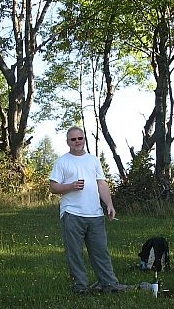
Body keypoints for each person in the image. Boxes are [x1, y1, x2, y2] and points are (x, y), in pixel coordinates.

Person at [49, 126, 128, 294]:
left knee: (101, 251)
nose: (77, 142)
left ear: (84, 139)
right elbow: (53, 187)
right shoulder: (62, 161)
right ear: (68, 142)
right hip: (72, 214)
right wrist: (70, 186)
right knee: (75, 253)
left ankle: (109, 284)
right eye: (73, 139)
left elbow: (102, 183)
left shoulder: (94, 160)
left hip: (95, 214)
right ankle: (80, 287)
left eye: (80, 138)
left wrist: (109, 204)